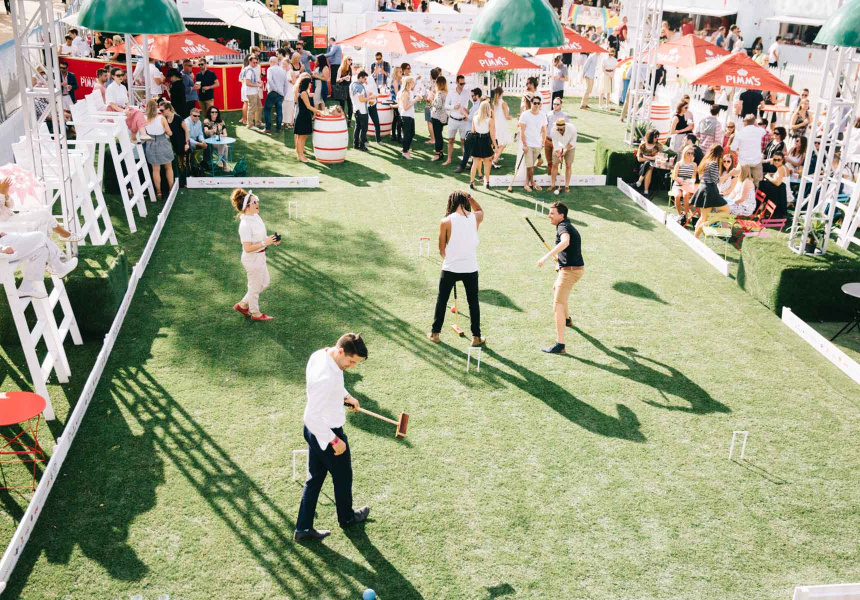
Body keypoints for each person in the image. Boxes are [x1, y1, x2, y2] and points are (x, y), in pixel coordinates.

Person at [294, 333, 370, 542]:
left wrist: (346, 396)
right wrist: (334, 440)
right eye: (351, 361)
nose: (352, 366)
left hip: (316, 432)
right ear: (340, 351)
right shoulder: (325, 378)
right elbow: (311, 416)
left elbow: (335, 386)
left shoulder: (322, 355)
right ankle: (346, 518)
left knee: (315, 478)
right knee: (343, 476)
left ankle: (303, 529)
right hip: (325, 431)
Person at [428, 191, 485, 347]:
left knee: (442, 300)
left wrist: (450, 260)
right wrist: (471, 197)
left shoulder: (446, 221)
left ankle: (435, 334)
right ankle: (476, 337)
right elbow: (480, 210)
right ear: (466, 201)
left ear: (451, 202)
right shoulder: (475, 218)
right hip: (470, 268)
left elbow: (441, 248)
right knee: (473, 302)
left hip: (450, 268)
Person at [536, 201, 583, 355]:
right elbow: (568, 248)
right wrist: (560, 261)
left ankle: (560, 345)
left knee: (557, 305)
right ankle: (568, 319)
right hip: (572, 269)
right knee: (558, 288)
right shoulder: (566, 225)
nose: (549, 216)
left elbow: (565, 242)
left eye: (552, 213)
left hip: (570, 271)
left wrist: (547, 257)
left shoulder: (563, 226)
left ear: (561, 215)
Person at [230, 188, 280, 321]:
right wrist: (265, 242)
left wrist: (271, 240)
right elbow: (247, 248)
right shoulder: (245, 225)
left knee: (264, 283)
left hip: (260, 256)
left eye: (256, 201)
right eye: (254, 202)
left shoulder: (256, 217)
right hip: (252, 259)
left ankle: (242, 304)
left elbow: (261, 238)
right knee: (254, 286)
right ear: (246, 206)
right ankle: (255, 313)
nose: (257, 203)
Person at [0, 230, 78, 299]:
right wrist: (1, 248)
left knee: (43, 251)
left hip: (3, 241)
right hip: (3, 250)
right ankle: (59, 267)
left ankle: (26, 287)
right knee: (40, 236)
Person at [691, 145, 730, 238]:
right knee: (726, 210)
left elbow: (701, 177)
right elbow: (716, 180)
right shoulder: (713, 163)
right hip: (710, 190)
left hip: (703, 188)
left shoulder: (705, 162)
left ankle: (694, 238)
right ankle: (705, 224)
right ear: (719, 154)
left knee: (703, 217)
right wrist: (730, 174)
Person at [105, 68, 149, 143]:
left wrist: (127, 108)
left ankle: (143, 134)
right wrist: (124, 111)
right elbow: (112, 105)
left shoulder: (123, 87)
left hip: (122, 109)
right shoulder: (110, 88)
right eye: (118, 75)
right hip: (113, 112)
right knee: (135, 115)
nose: (121, 77)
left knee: (138, 112)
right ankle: (134, 137)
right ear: (113, 76)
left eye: (122, 75)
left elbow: (127, 102)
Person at [143, 99, 174, 199]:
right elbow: (169, 133)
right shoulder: (161, 118)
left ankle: (159, 192)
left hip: (150, 143)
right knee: (168, 167)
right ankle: (171, 189)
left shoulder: (144, 118)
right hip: (163, 142)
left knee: (155, 170)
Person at [519, 95, 547, 193]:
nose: (536, 105)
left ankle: (527, 183)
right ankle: (532, 183)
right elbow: (522, 131)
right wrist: (524, 144)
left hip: (538, 144)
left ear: (540, 104)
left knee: (530, 166)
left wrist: (543, 142)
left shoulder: (543, 115)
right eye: (534, 103)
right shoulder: (525, 115)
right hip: (528, 144)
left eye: (538, 103)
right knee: (530, 165)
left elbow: (544, 130)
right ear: (531, 103)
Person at [731, 114, 766, 185]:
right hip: (756, 161)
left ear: (745, 122)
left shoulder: (740, 133)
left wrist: (739, 154)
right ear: (754, 122)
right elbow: (764, 131)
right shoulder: (759, 131)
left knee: (741, 183)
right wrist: (756, 124)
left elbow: (733, 148)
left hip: (744, 161)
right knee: (757, 184)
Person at [454, 88, 483, 174]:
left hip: (473, 131)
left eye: (472, 95)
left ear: (477, 96)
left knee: (467, 151)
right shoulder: (475, 104)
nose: (471, 97)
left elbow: (474, 118)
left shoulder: (479, 106)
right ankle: (469, 166)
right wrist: (467, 112)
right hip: (471, 130)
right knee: (471, 151)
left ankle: (462, 166)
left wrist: (464, 113)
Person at [444, 75, 471, 166]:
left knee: (464, 141)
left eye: (464, 83)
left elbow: (475, 102)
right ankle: (449, 159)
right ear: (456, 83)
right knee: (451, 140)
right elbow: (446, 106)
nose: (463, 85)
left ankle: (465, 161)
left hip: (464, 121)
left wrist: (469, 112)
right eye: (461, 83)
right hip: (453, 120)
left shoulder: (467, 93)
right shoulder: (451, 93)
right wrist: (453, 107)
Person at [469, 100, 496, 190]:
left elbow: (472, 131)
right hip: (485, 141)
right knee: (487, 163)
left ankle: (472, 182)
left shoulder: (475, 117)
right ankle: (487, 182)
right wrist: (495, 144)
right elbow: (492, 134)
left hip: (476, 140)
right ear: (488, 109)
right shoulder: (490, 120)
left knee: (475, 163)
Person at [295, 76, 321, 163]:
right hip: (303, 116)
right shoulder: (303, 93)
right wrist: (318, 111)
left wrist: (311, 94)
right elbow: (308, 106)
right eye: (310, 83)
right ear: (307, 84)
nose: (311, 84)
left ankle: (301, 154)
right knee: (301, 137)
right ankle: (300, 155)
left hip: (304, 115)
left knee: (304, 136)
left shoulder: (304, 92)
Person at [162, 102, 189, 188]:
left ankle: (185, 181)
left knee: (184, 164)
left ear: (168, 109)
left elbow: (186, 130)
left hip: (182, 143)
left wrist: (186, 143)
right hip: (174, 144)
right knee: (178, 164)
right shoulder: (165, 119)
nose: (161, 112)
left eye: (162, 110)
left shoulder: (177, 118)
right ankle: (180, 181)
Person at [671, 146, 698, 226]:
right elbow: (674, 177)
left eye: (692, 153)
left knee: (685, 194)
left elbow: (693, 177)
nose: (690, 155)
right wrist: (681, 182)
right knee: (677, 196)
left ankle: (686, 215)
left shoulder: (694, 164)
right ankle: (680, 215)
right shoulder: (679, 163)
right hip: (678, 184)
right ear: (684, 154)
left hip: (688, 184)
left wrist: (691, 184)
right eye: (688, 153)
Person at [549, 117, 576, 195]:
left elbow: (573, 142)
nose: (559, 131)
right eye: (558, 129)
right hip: (559, 146)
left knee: (568, 165)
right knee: (554, 164)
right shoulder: (553, 130)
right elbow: (555, 142)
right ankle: (553, 184)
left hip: (570, 147)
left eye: (561, 129)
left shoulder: (572, 128)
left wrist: (565, 150)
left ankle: (566, 186)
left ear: (565, 127)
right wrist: (558, 153)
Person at [632, 128, 663, 197]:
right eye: (655, 137)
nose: (657, 138)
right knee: (649, 165)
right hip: (641, 166)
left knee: (650, 165)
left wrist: (646, 157)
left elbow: (658, 158)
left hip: (654, 166)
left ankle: (639, 182)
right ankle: (646, 192)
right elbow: (639, 159)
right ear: (650, 137)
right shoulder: (642, 145)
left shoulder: (659, 146)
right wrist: (650, 159)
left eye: (658, 136)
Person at [544, 97, 569, 178]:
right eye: (554, 104)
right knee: (549, 162)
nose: (555, 106)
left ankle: (553, 180)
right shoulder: (548, 114)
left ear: (561, 105)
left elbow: (567, 130)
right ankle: (549, 178)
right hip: (547, 140)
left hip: (557, 142)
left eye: (557, 104)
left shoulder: (564, 116)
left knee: (555, 163)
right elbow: (544, 127)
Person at [760, 151, 789, 218]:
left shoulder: (781, 168)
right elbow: (780, 178)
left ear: (782, 160)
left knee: (762, 184)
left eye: (779, 160)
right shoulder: (782, 167)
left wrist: (768, 177)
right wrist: (772, 175)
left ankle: (758, 206)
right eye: (775, 160)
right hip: (781, 191)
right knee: (763, 184)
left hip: (782, 193)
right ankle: (762, 207)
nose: (776, 162)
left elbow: (777, 183)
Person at [264, 56, 288, 134]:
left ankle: (268, 127)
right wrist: (283, 93)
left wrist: (274, 89)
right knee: (279, 111)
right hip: (280, 93)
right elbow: (286, 84)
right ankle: (278, 128)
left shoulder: (270, 69)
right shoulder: (283, 71)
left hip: (273, 92)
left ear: (271, 62)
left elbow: (270, 80)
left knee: (267, 109)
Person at [241, 55, 264, 132]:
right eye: (254, 62)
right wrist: (258, 84)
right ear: (250, 61)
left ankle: (257, 122)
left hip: (254, 91)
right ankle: (250, 125)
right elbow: (248, 83)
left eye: (256, 63)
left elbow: (251, 81)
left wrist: (258, 82)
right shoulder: (249, 70)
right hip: (251, 92)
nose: (255, 64)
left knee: (259, 107)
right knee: (252, 109)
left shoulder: (250, 69)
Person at [491, 86, 512, 169]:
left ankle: (494, 157)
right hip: (502, 125)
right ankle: (495, 160)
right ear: (502, 93)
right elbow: (506, 116)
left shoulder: (494, 103)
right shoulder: (503, 103)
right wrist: (511, 117)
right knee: (503, 144)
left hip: (495, 124)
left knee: (497, 143)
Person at [350, 70, 371, 152]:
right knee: (364, 129)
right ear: (361, 78)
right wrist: (369, 98)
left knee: (357, 127)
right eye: (365, 79)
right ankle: (362, 146)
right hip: (362, 110)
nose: (365, 81)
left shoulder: (352, 84)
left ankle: (355, 144)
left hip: (355, 109)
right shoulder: (360, 86)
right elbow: (361, 99)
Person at [429, 76, 449, 162]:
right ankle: (440, 152)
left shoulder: (440, 93)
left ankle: (438, 154)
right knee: (439, 135)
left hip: (437, 117)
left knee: (438, 136)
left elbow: (438, 105)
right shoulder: (445, 93)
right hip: (443, 117)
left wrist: (432, 101)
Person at [398, 76, 417, 159]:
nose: (414, 83)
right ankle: (405, 151)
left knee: (411, 133)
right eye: (413, 82)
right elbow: (405, 107)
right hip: (406, 116)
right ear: (409, 83)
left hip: (410, 115)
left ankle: (406, 149)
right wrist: (414, 100)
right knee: (407, 134)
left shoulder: (409, 92)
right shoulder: (405, 93)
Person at [204, 106, 228, 170]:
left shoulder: (221, 122)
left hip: (220, 140)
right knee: (224, 145)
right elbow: (206, 132)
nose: (214, 113)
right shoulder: (207, 121)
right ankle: (223, 164)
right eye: (212, 112)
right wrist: (212, 131)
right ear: (209, 113)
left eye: (216, 112)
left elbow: (225, 134)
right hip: (212, 141)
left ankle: (221, 160)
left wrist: (220, 135)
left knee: (225, 146)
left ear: (218, 113)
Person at [333, 58, 354, 126]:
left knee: (350, 105)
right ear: (345, 60)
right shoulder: (341, 68)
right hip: (342, 88)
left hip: (349, 88)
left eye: (351, 60)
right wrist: (344, 78)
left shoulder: (350, 68)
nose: (351, 61)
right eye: (349, 59)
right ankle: (342, 120)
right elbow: (337, 80)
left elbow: (352, 77)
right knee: (342, 105)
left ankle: (349, 121)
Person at [283, 54, 302, 129]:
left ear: (288, 64)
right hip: (284, 91)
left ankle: (291, 122)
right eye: (283, 64)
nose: (284, 65)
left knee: (291, 107)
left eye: (285, 64)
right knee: (284, 106)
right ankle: (284, 121)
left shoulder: (291, 72)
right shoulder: (282, 71)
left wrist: (291, 81)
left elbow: (295, 82)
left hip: (290, 91)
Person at [424, 68, 440, 147]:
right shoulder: (439, 84)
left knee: (429, 122)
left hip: (429, 105)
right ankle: (436, 138)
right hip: (437, 106)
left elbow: (426, 96)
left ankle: (433, 139)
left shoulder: (429, 84)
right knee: (435, 123)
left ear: (431, 75)